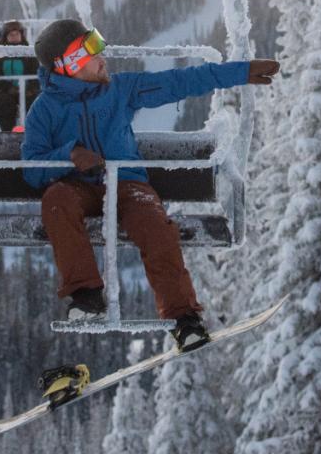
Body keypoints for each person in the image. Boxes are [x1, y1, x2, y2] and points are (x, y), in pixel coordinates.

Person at [21, 19, 280, 351]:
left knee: (154, 223)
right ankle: (86, 297)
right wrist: (68, 156)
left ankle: (183, 317)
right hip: (78, 188)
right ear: (69, 65)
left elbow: (179, 82)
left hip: (128, 184)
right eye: (92, 51)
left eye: (99, 44)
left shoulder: (120, 89)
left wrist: (239, 72)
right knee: (56, 200)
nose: (103, 56)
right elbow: (31, 167)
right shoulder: (44, 111)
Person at [0, 20, 39, 132]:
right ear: (6, 37)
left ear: (21, 35)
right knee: (4, 103)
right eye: (11, 35)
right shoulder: (0, 55)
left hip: (27, 91)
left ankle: (33, 132)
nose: (14, 37)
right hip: (7, 92)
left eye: (17, 34)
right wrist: (8, 88)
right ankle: (8, 133)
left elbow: (36, 73)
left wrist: (30, 88)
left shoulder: (29, 53)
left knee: (33, 104)